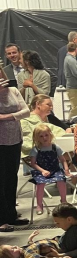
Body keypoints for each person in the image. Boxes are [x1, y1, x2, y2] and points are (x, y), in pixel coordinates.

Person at [0, 73, 31, 232]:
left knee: (11, 178)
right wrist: (14, 116)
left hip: (15, 139)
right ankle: (1, 218)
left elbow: (26, 112)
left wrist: (5, 117)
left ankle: (11, 214)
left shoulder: (13, 90)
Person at [25, 123, 73, 215]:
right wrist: (42, 171)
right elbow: (33, 163)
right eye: (41, 136)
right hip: (41, 171)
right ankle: (39, 204)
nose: (44, 138)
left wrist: (66, 170)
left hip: (55, 170)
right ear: (37, 138)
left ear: (50, 135)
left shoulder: (55, 147)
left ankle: (63, 200)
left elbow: (63, 160)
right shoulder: (36, 149)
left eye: (46, 135)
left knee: (61, 180)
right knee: (40, 183)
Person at [0, 240, 73, 258]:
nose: (15, 246)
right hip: (61, 245)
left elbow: (32, 247)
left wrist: (30, 240)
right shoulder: (28, 257)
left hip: (56, 240)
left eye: (12, 246)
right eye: (12, 249)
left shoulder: (22, 252)